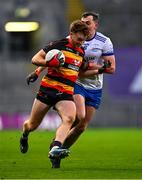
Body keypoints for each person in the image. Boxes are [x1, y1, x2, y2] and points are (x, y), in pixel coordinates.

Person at [26, 12, 115, 168]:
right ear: (74, 32)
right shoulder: (67, 41)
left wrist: (100, 69)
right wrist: (38, 71)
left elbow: (106, 68)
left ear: (95, 25)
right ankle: (40, 139)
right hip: (70, 84)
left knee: (80, 125)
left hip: (89, 88)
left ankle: (57, 149)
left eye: (88, 22)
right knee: (74, 117)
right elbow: (52, 57)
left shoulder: (102, 42)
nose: (85, 25)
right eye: (82, 22)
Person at [20, 20, 92, 167]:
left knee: (70, 118)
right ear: (71, 34)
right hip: (48, 89)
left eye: (83, 40)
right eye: (78, 39)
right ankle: (25, 134)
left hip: (65, 92)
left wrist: (100, 69)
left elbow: (79, 70)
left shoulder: (81, 51)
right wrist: (42, 68)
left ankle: (55, 148)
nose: (80, 43)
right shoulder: (58, 45)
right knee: (32, 125)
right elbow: (36, 59)